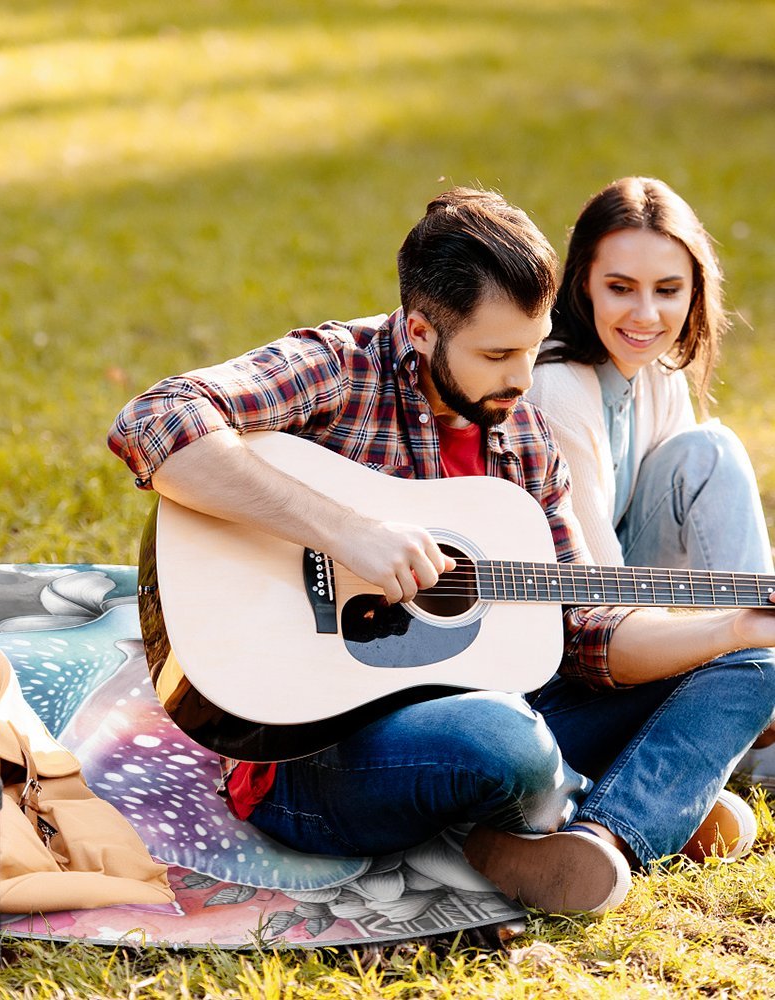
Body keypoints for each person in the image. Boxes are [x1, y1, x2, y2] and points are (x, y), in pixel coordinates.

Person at [108, 187, 775, 916]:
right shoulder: (339, 367)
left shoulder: (523, 436)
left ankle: (605, 837)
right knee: (504, 741)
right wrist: (344, 531)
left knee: (755, 665)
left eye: (532, 346)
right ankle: (625, 797)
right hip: (312, 754)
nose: (523, 380)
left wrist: (732, 628)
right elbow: (155, 419)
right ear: (421, 330)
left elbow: (584, 629)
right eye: (497, 354)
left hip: (503, 708)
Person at [528, 176, 775, 795]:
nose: (647, 315)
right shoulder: (558, 386)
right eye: (620, 288)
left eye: (668, 291)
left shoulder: (657, 371)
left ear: (695, 292)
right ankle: (750, 705)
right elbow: (599, 604)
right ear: (582, 281)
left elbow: (697, 527)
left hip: (638, 608)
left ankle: (753, 694)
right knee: (711, 451)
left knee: (706, 451)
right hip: (574, 644)